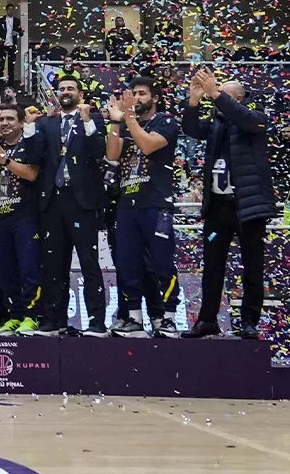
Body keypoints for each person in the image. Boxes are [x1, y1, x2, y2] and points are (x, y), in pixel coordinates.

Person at [182, 69, 275, 339]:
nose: (216, 98)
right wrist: (193, 101)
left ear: (238, 98)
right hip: (218, 205)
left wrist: (215, 93)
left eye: (222, 94)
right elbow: (191, 130)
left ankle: (249, 321)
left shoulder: (256, 115)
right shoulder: (216, 122)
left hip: (249, 205)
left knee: (252, 266)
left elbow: (247, 121)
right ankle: (207, 320)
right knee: (212, 266)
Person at [106, 77, 181, 338]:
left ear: (155, 98)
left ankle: (169, 319)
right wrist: (116, 122)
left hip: (156, 204)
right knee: (128, 263)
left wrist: (128, 117)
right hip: (127, 204)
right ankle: (134, 318)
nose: (136, 98)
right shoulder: (128, 123)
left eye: (142, 93)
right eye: (133, 94)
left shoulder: (166, 121)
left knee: (162, 263)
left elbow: (148, 146)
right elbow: (112, 155)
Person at [37, 76, 108, 337]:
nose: (65, 92)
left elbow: (99, 152)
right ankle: (53, 319)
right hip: (53, 200)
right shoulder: (47, 123)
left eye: (70, 88)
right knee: (53, 264)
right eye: (61, 89)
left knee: (89, 263)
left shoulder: (94, 119)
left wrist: (87, 120)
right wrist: (30, 128)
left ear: (80, 93)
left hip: (82, 201)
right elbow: (35, 156)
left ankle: (96, 322)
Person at [0, 104, 44, 335]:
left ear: (20, 122)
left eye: (9, 118)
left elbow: (32, 174)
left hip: (25, 217)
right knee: (5, 270)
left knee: (28, 268)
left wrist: (6, 161)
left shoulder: (29, 144)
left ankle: (32, 316)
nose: (4, 123)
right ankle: (14, 316)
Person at [0, 3, 24, 83]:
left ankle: (11, 84)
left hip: (12, 45)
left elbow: (21, 32)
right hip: (2, 45)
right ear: (6, 10)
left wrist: (17, 33)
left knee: (11, 66)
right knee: (1, 66)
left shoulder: (17, 21)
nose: (10, 11)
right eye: (9, 9)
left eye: (12, 9)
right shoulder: (1, 19)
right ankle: (0, 84)